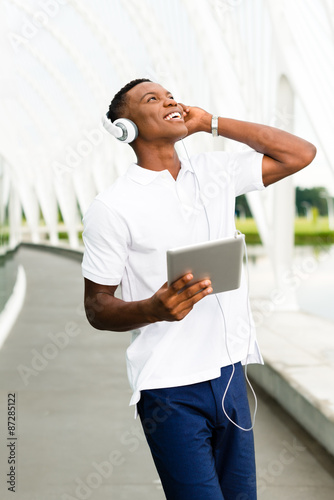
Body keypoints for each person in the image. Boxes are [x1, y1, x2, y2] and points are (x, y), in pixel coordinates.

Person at [81, 78, 316, 500]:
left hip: (229, 376)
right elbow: (97, 307)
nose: (169, 100)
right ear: (124, 128)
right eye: (151, 99)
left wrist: (212, 123)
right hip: (169, 388)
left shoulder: (215, 172)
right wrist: (154, 308)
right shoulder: (112, 207)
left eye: (170, 94)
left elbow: (301, 154)